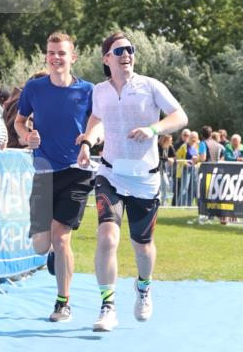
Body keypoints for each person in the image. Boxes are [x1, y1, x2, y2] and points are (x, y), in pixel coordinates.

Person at [76, 31, 187, 332]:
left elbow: (180, 117)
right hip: (109, 173)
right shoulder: (99, 90)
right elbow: (96, 120)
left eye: (130, 49)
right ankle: (107, 306)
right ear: (106, 59)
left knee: (142, 246)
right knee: (107, 238)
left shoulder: (150, 86)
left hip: (144, 180)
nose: (126, 54)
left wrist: (154, 129)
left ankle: (144, 287)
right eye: (119, 50)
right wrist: (87, 142)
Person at [14, 33, 94, 322]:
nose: (56, 57)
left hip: (77, 172)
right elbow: (20, 120)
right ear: (46, 56)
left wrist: (88, 142)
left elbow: (99, 124)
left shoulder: (88, 90)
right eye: (51, 52)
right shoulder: (34, 88)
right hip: (43, 172)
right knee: (40, 245)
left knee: (62, 239)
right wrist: (26, 136)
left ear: (73, 57)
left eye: (62, 53)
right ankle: (52, 255)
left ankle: (63, 303)